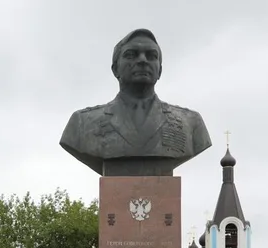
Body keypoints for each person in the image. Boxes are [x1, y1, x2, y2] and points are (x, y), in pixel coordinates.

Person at [60, 28, 211, 175]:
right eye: (131, 55)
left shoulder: (191, 124)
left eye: (151, 55)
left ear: (159, 70)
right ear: (115, 69)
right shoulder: (82, 123)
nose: (142, 60)